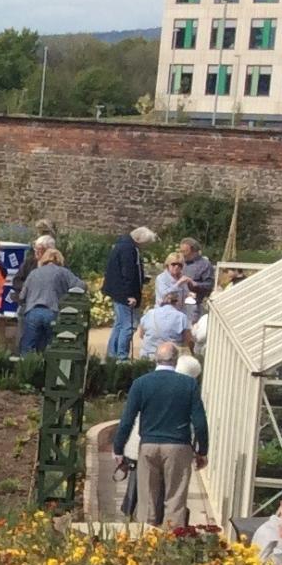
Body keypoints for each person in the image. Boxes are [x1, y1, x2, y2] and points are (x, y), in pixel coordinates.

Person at [112, 341, 208, 528]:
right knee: (175, 499)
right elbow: (200, 422)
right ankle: (170, 543)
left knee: (147, 500)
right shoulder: (188, 384)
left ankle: (145, 542)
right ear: (176, 360)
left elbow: (127, 420)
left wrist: (118, 449)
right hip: (178, 447)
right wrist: (202, 451)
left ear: (156, 359)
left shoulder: (141, 383)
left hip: (148, 445)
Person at [15, 243, 80, 354]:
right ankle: (48, 368)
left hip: (32, 312)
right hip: (52, 311)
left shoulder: (34, 273)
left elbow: (22, 295)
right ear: (60, 260)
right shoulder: (63, 272)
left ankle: (27, 368)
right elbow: (81, 286)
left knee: (27, 346)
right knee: (50, 346)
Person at [104, 224, 153, 361]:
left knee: (119, 324)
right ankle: (121, 356)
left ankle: (112, 354)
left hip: (118, 291)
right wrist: (130, 294)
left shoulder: (123, 245)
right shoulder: (129, 249)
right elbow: (128, 273)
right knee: (129, 325)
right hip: (124, 293)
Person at [136, 290, 191, 359]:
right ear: (178, 302)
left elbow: (141, 335)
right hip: (169, 357)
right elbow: (187, 339)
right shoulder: (182, 317)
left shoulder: (149, 313)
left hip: (148, 355)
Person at [179, 238, 217, 321]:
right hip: (178, 305)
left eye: (184, 251)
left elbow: (209, 284)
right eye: (180, 251)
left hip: (194, 306)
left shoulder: (205, 265)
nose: (182, 254)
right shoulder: (179, 262)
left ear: (194, 251)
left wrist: (195, 284)